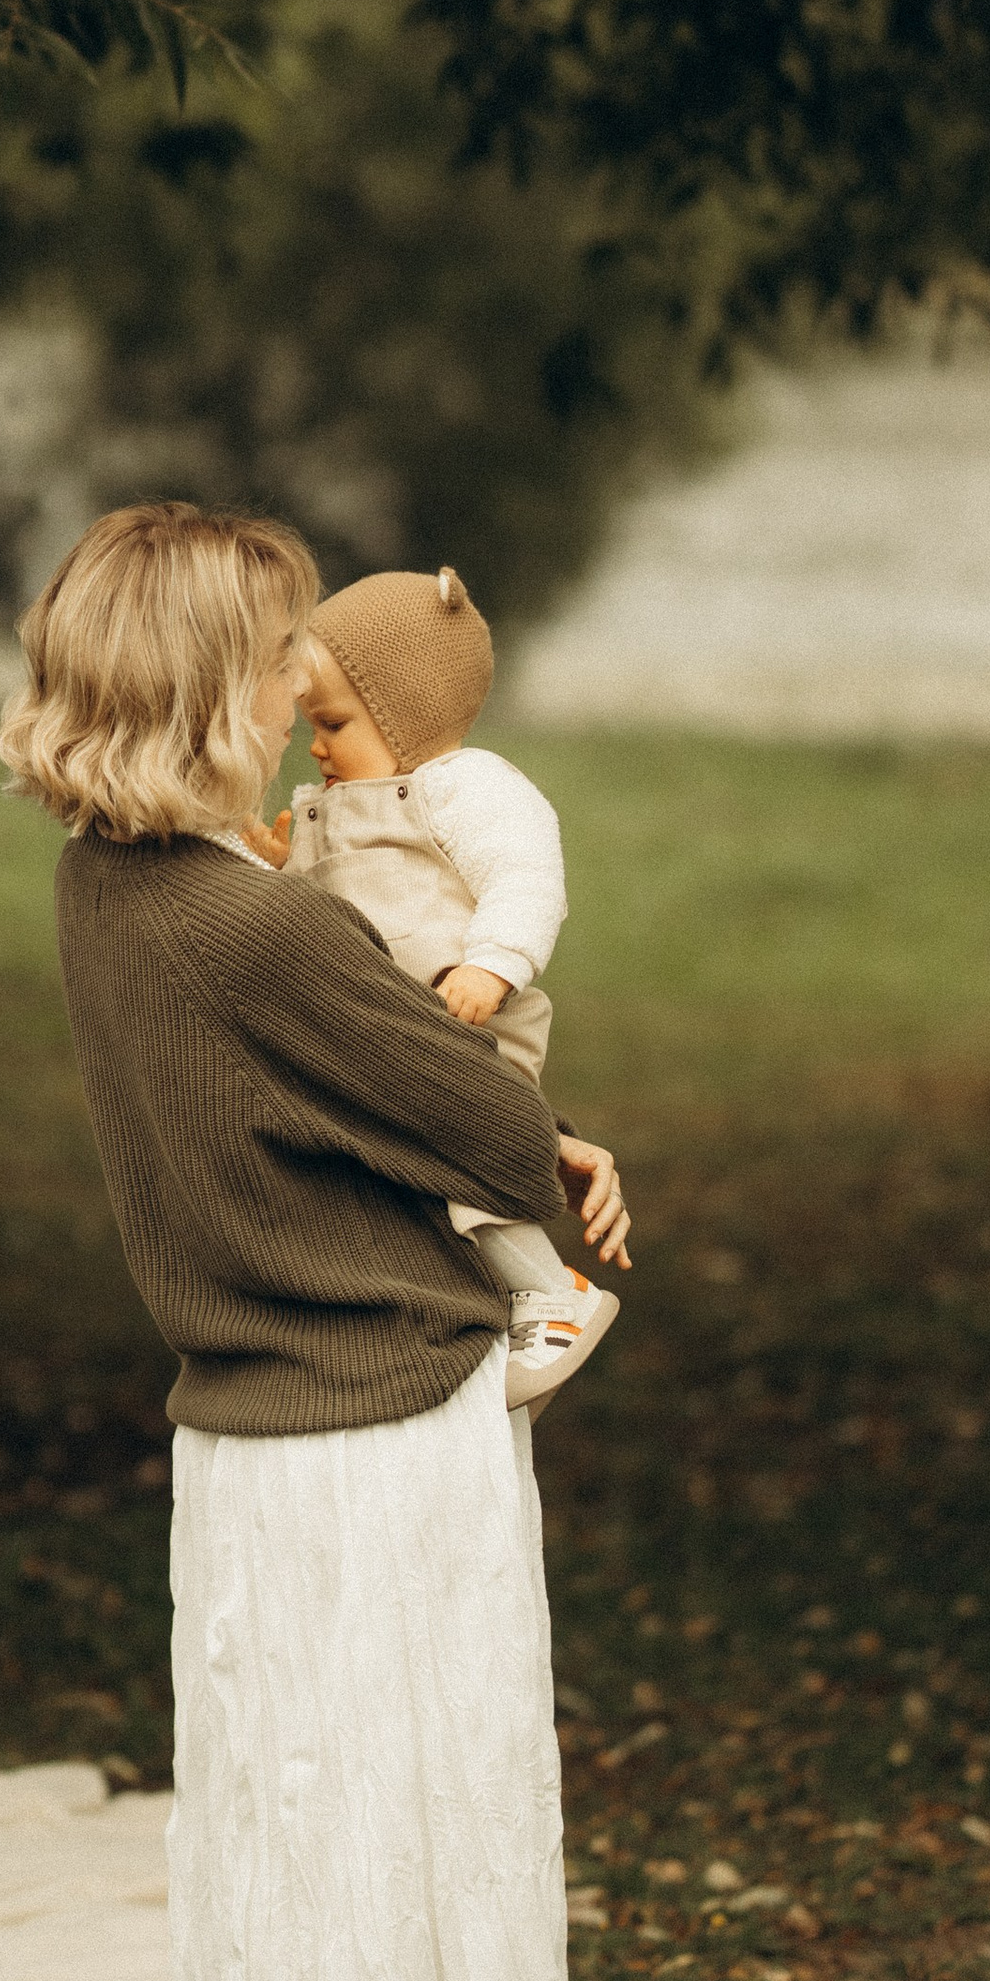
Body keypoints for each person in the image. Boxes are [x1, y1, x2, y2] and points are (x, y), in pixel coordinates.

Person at [0, 499, 630, 1981]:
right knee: (419, 1872)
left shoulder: (112, 897)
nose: (296, 686)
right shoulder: (255, 923)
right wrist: (564, 1160)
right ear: (201, 686)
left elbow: (333, 1108)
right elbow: (452, 1098)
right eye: (269, 652)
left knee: (297, 1886)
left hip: (242, 1456)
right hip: (375, 1437)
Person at [250, 563, 620, 1409]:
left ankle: (553, 1292)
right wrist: (278, 868)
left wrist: (492, 963)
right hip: (386, 1033)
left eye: (335, 722)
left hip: (468, 1019)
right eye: (312, 723)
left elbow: (528, 876)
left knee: (467, 1161)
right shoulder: (333, 804)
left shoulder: (468, 788)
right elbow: (318, 922)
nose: (315, 744)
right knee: (403, 1179)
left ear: (403, 712)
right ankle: (475, 1309)